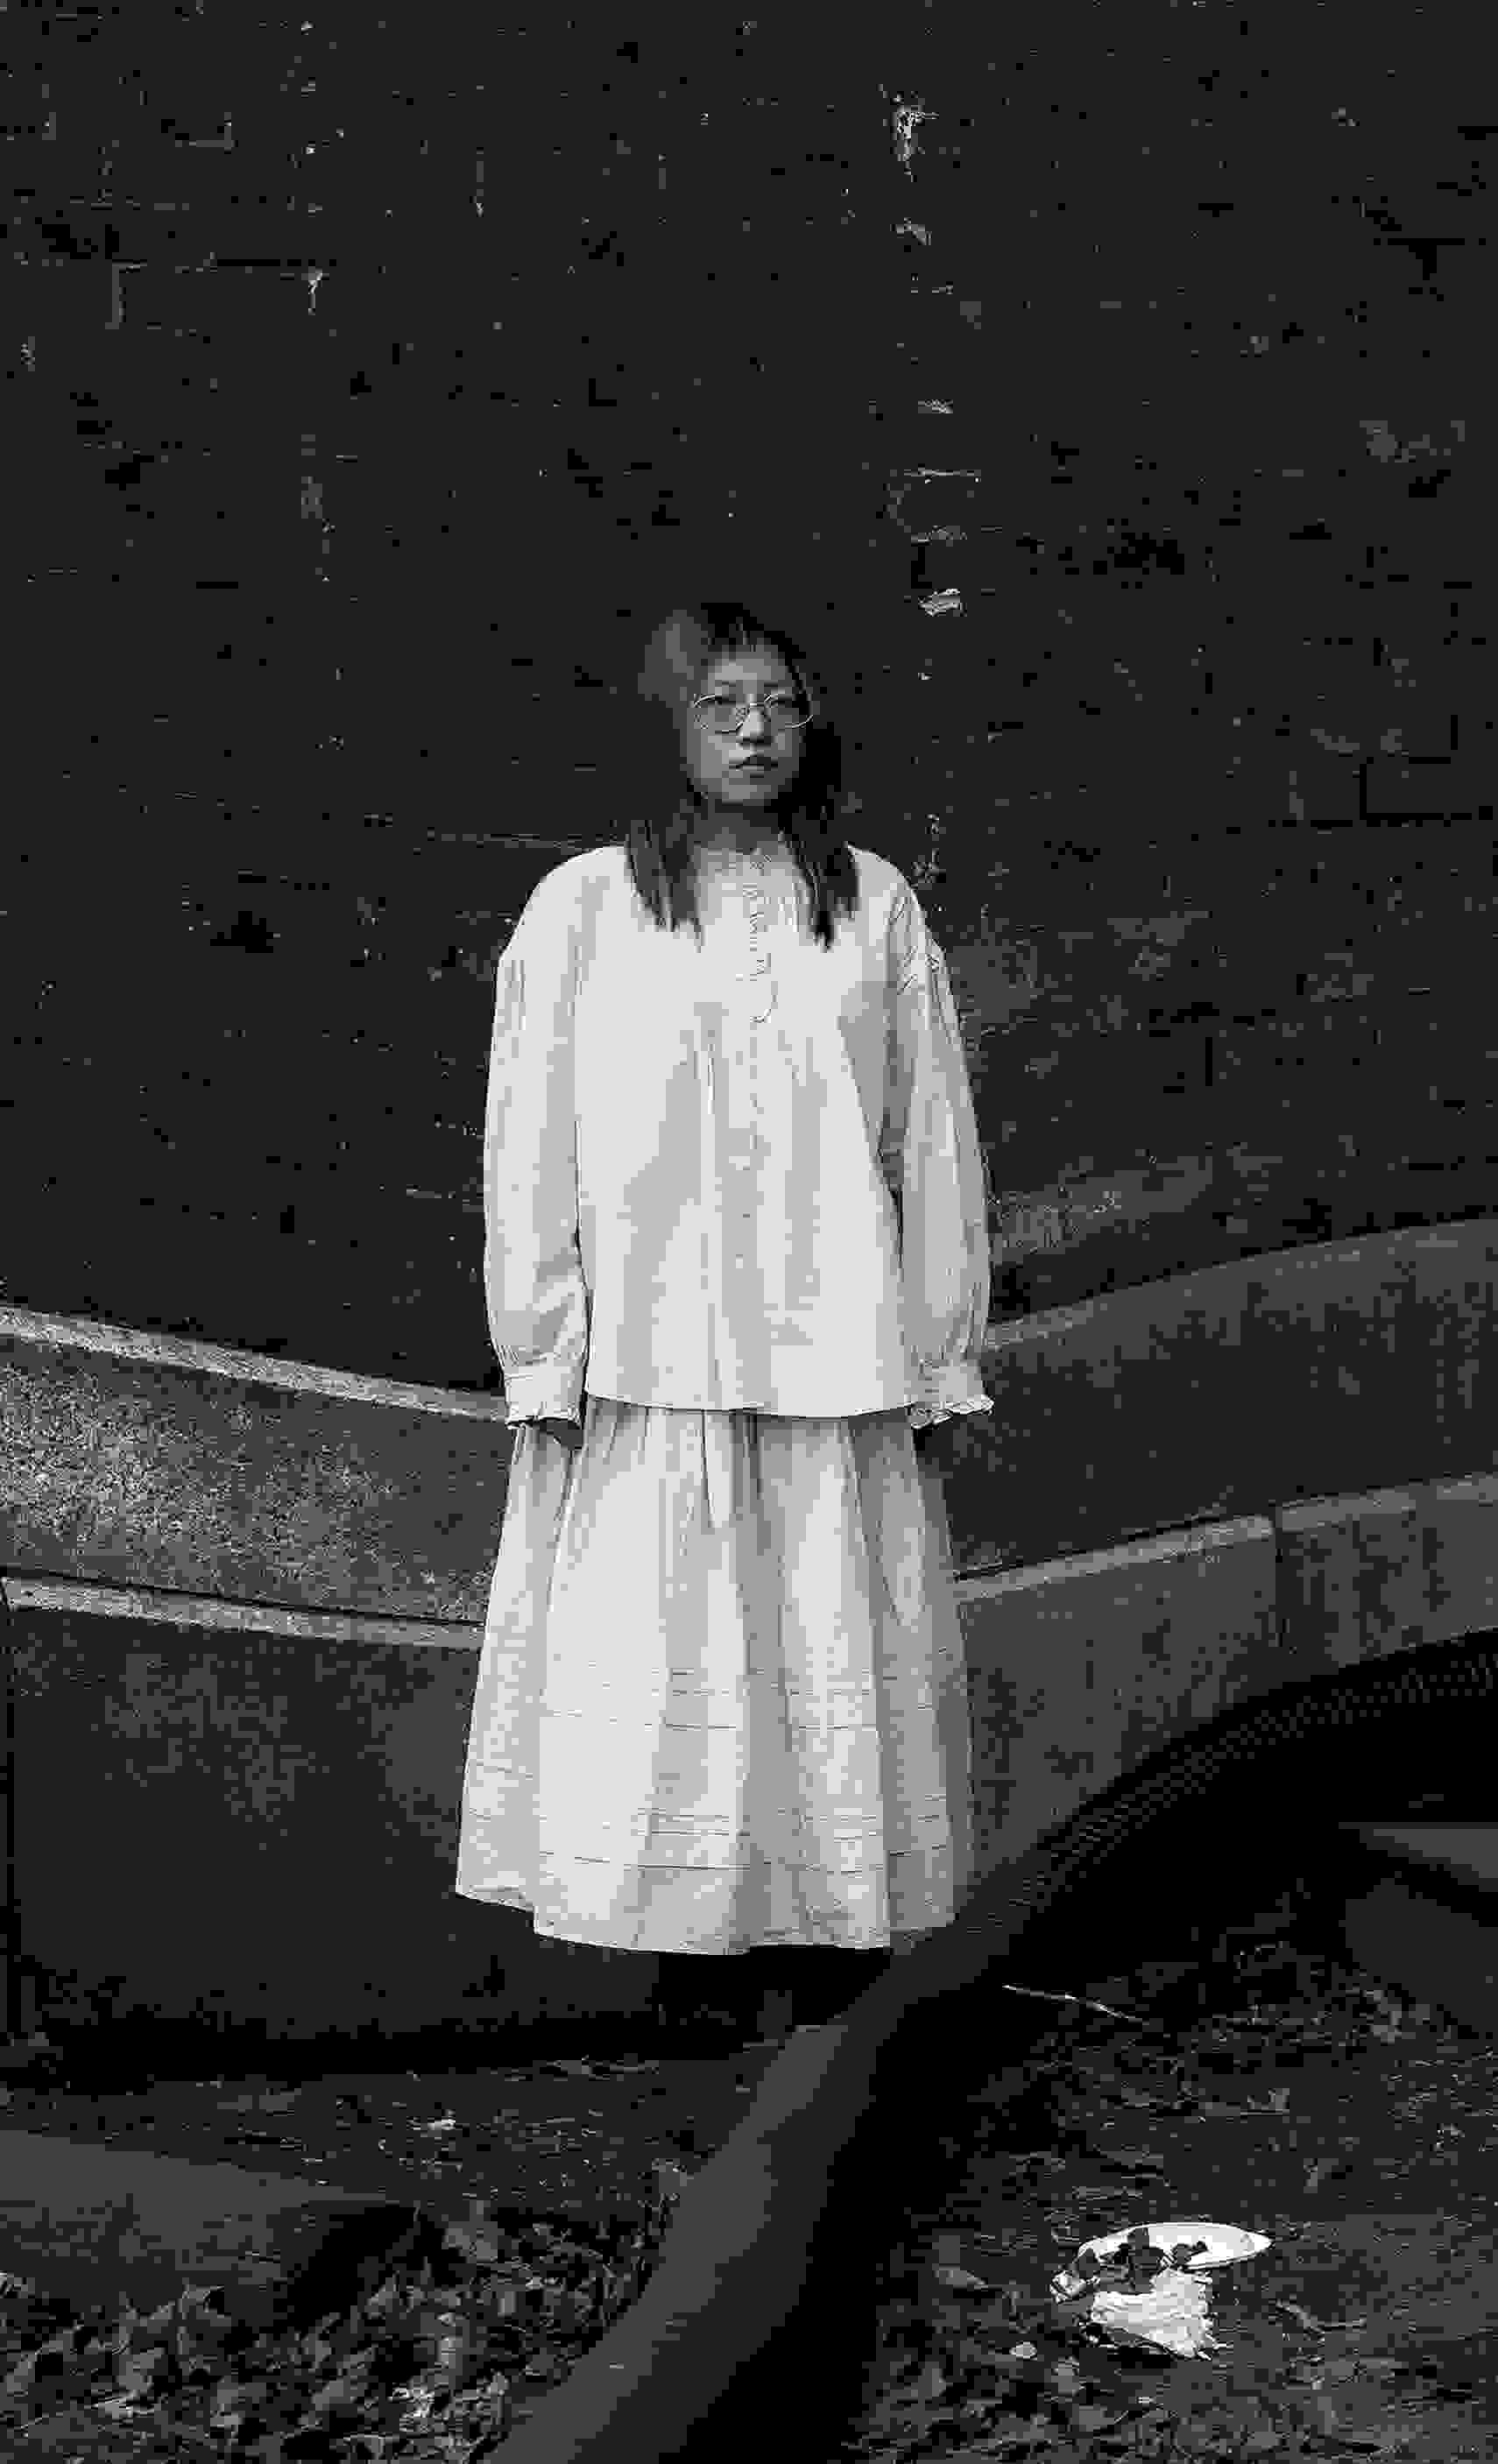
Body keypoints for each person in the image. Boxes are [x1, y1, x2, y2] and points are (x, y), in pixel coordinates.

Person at [455, 603, 996, 2052]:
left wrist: (940, 1349)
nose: (754, 728)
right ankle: (691, 1995)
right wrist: (545, 1344)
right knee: (675, 1686)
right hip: (658, 1362)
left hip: (836, 1361)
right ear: (668, 727)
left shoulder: (870, 907)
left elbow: (927, 1135)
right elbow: (535, 1138)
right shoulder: (585, 912)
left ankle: (820, 1995)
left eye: (778, 701)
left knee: (823, 1666)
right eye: (721, 702)